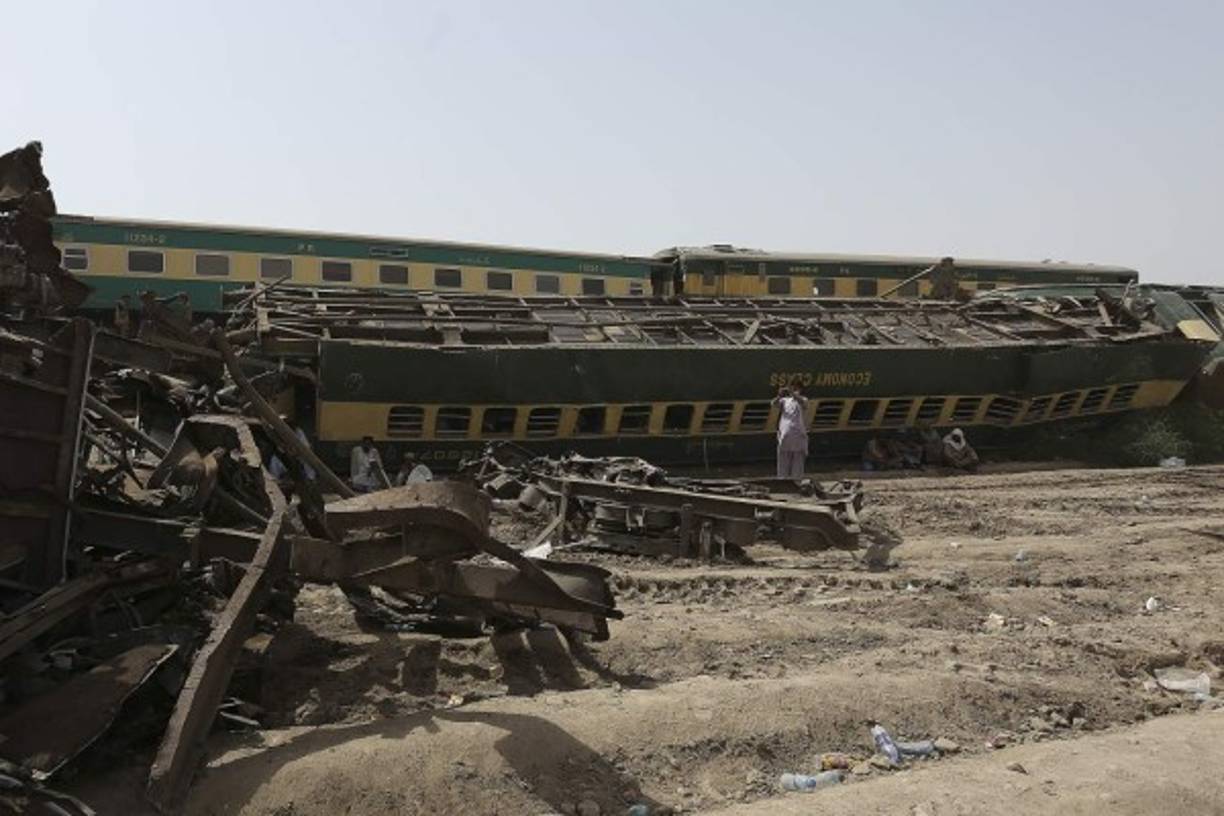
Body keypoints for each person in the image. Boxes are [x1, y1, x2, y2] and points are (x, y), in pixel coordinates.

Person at [772, 382, 809, 479]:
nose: (793, 390)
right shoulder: (784, 401)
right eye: (792, 388)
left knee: (798, 463)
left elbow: (801, 402)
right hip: (785, 436)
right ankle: (782, 481)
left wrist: (792, 393)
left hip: (798, 436)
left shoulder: (803, 400)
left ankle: (797, 482)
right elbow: (774, 404)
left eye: (796, 388)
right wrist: (779, 395)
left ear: (800, 390)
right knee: (783, 462)